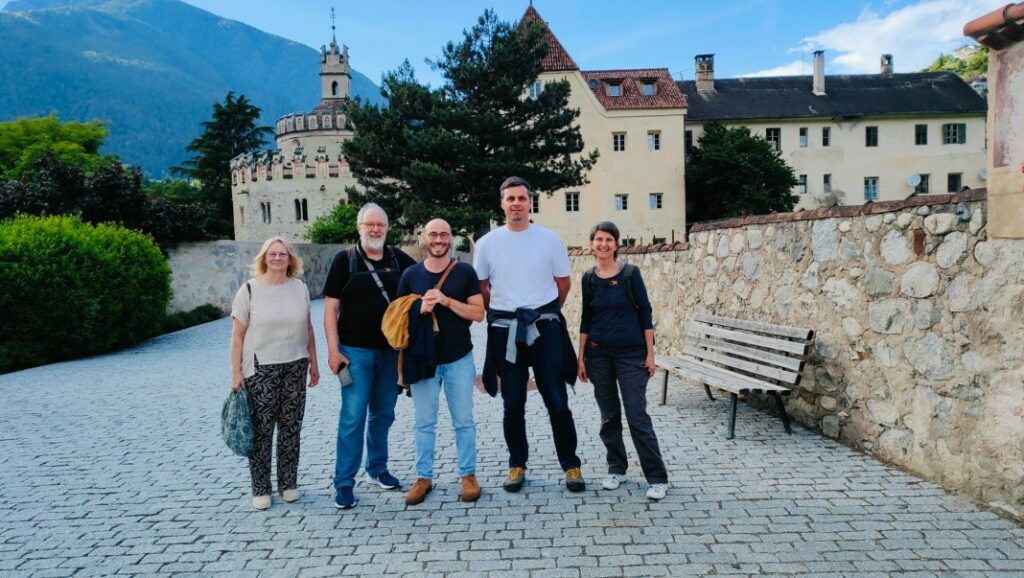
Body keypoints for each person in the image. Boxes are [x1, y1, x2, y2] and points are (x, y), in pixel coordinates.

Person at [474, 176, 585, 493]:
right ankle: (516, 464)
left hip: (544, 327)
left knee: (557, 401)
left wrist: (544, 312)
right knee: (513, 404)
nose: (516, 204)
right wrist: (503, 313)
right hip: (505, 330)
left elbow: (563, 283)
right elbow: (483, 288)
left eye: (521, 198)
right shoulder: (487, 244)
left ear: (530, 201)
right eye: (510, 199)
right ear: (502, 203)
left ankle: (571, 465)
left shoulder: (549, 240)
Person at [323, 203, 416, 509]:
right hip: (354, 354)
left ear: (387, 229)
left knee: (384, 414)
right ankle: (344, 483)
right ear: (359, 227)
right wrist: (333, 350)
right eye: (369, 224)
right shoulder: (344, 260)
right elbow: (330, 308)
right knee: (352, 417)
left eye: (381, 225)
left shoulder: (398, 259)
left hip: (390, 353)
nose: (375, 229)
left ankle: (376, 468)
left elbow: (420, 284)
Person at [577, 222, 669, 501]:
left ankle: (657, 478)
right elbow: (585, 318)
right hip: (598, 356)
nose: (603, 244)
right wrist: (580, 358)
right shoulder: (589, 279)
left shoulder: (630, 274)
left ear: (616, 244)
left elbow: (645, 313)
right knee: (609, 416)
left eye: (608, 240)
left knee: (637, 416)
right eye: (598, 240)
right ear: (592, 244)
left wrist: (650, 354)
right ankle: (616, 467)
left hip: (631, 356)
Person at [397, 219, 485, 505]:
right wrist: (418, 308)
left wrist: (447, 301)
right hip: (424, 360)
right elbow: (396, 317)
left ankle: (468, 475)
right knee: (424, 423)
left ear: (451, 238)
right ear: (424, 237)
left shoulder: (464, 272)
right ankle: (423, 477)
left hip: (459, 357)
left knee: (464, 421)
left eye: (444, 235)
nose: (438, 239)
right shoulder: (410, 275)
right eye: (433, 234)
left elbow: (478, 313)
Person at [229, 237, 320, 510]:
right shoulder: (249, 290)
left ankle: (288, 484)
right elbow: (237, 336)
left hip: (295, 365)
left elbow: (309, 329)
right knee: (262, 431)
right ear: (264, 258)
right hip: (260, 368)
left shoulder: (300, 288)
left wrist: (313, 363)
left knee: (291, 428)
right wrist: (236, 373)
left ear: (290, 259)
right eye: (272, 254)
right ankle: (261, 488)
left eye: (282, 254)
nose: (278, 258)